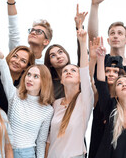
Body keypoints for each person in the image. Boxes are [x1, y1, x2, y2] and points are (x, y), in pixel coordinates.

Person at [0, 37, 54, 158]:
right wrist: (1, 57)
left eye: (36, 76)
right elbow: (5, 77)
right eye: (29, 75)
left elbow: (41, 141)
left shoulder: (48, 110)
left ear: (44, 82)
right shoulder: (15, 96)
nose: (30, 79)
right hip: (4, 151)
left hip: (27, 153)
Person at [46, 25, 94, 158]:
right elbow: (49, 139)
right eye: (65, 71)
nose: (68, 72)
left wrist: (83, 42)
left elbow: (84, 69)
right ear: (61, 80)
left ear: (80, 79)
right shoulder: (56, 103)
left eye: (73, 70)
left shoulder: (85, 99)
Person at [3, 0, 53, 64]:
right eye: (32, 30)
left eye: (39, 32)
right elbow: (13, 29)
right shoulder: (17, 52)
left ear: (46, 41)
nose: (33, 32)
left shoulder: (47, 65)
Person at [88, 55, 125, 158]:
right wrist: (93, 59)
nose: (111, 74)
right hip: (98, 143)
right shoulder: (97, 95)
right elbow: (89, 79)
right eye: (107, 71)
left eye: (115, 71)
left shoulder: (124, 99)